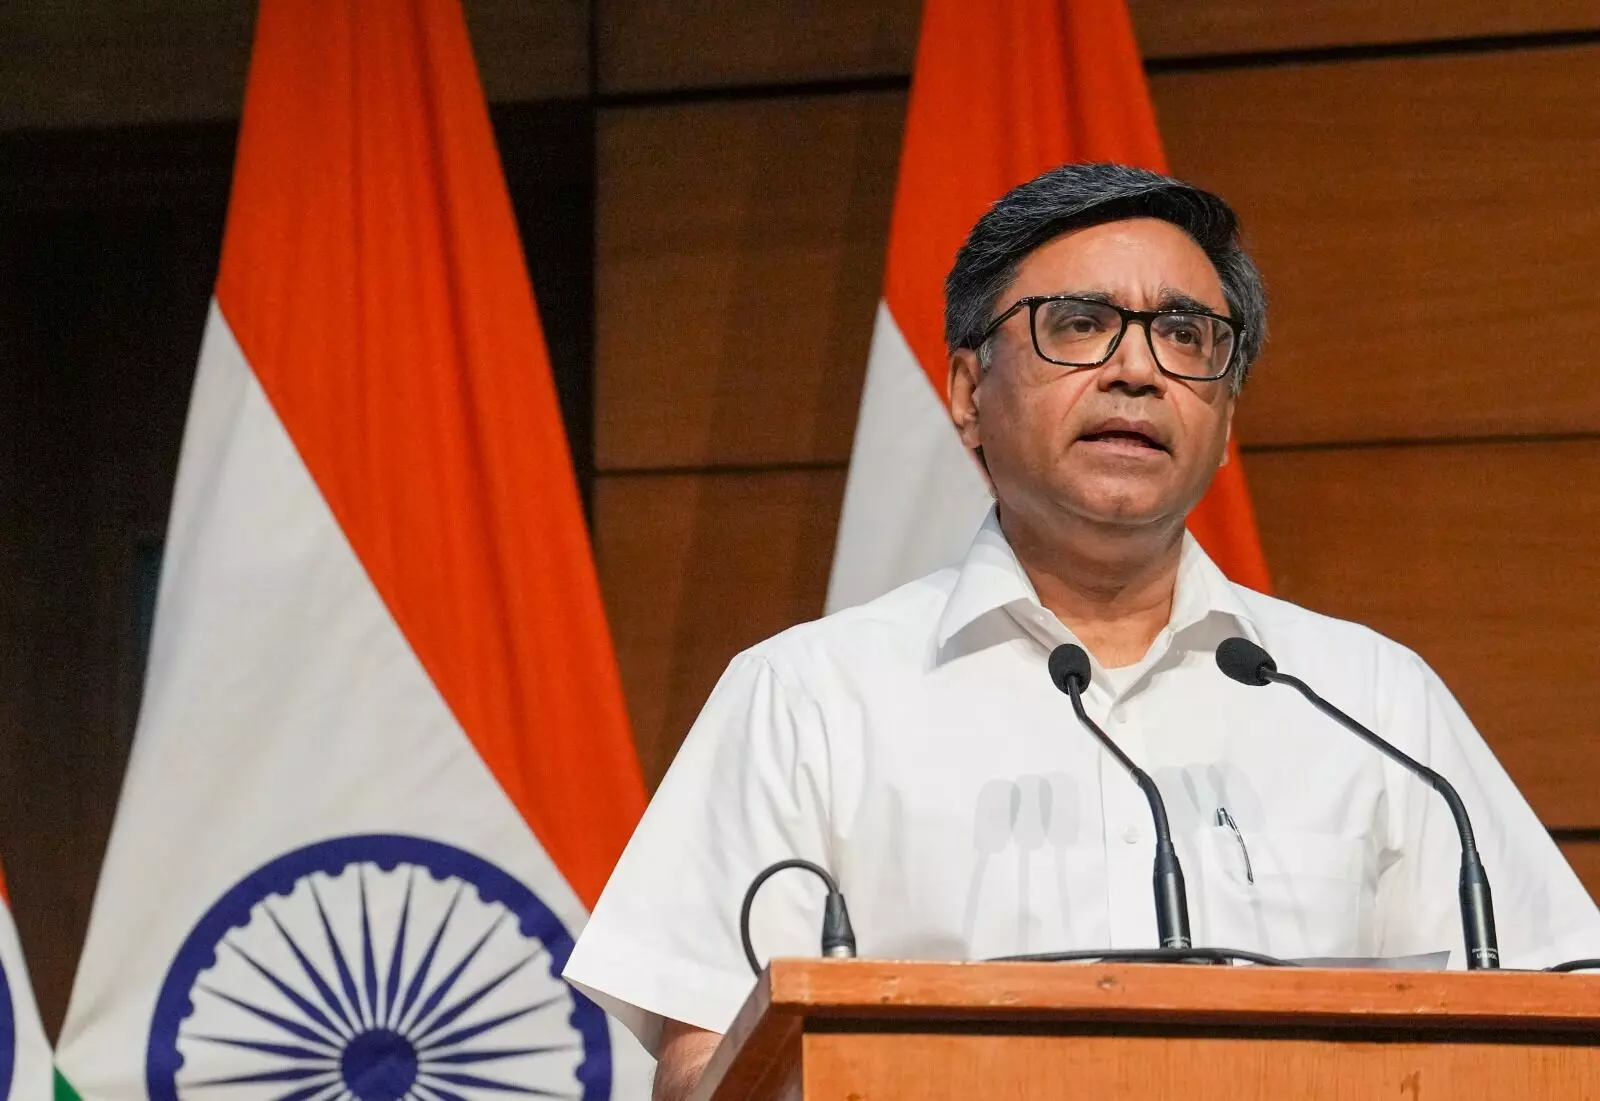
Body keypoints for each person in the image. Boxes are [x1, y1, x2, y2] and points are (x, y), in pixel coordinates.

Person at [562, 162, 1600, 1098]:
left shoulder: (1368, 700)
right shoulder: (807, 697)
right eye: (1079, 324)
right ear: (968, 393)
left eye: (1186, 336)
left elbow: (1558, 1015)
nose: (1137, 370)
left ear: (1224, 423)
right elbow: (705, 1059)